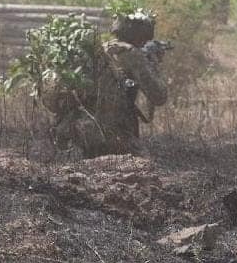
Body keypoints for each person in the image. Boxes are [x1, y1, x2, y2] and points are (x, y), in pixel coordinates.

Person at [53, 12, 168, 157]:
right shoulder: (132, 54)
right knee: (146, 166)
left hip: (83, 129)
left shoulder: (101, 49)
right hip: (112, 134)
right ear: (141, 35)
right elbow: (159, 96)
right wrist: (154, 64)